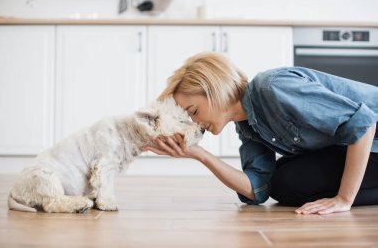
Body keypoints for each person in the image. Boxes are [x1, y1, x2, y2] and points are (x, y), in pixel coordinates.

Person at [144, 52, 378, 215]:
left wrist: (344, 199)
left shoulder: (273, 88)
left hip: (371, 140)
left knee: (291, 180)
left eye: (193, 111)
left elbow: (364, 124)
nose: (194, 121)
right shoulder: (247, 125)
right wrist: (199, 154)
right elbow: (258, 189)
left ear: (214, 90)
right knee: (282, 181)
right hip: (352, 145)